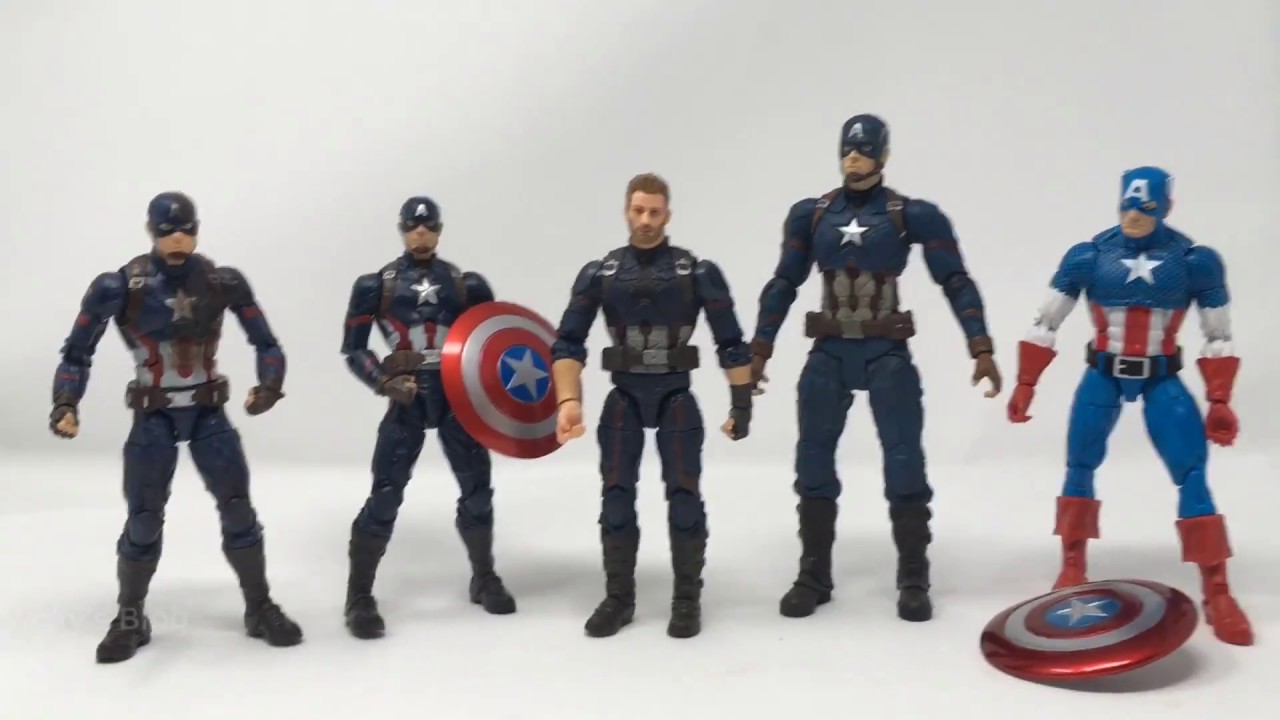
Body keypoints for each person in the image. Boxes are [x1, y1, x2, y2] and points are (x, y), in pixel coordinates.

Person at [749, 114, 1002, 622]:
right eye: (848, 148)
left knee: (904, 460)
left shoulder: (910, 215)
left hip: (887, 352)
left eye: (865, 150)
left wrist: (980, 347)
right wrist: (758, 352)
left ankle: (913, 575)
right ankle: (813, 574)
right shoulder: (812, 214)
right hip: (829, 351)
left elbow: (954, 280)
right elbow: (783, 283)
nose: (854, 157)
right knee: (812, 460)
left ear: (883, 155)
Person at [51, 191, 302, 663]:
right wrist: (66, 402)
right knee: (144, 519)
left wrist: (269, 386)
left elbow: (267, 343)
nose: (178, 239)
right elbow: (76, 354)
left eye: (186, 229)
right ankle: (130, 616)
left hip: (209, 414)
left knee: (238, 510)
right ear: (151, 233)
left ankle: (259, 606)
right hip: (154, 417)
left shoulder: (221, 282)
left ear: (198, 231)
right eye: (167, 231)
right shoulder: (119, 286)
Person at [1007, 165, 1252, 646]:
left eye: (1147, 207)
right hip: (1103, 373)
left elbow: (1219, 334)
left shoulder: (1193, 261)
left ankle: (1217, 591)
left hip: (1162, 376)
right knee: (1079, 464)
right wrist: (1026, 382)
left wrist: (1220, 399)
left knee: (1192, 473)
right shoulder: (1090, 256)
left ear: (1166, 208)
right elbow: (1046, 321)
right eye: (1127, 205)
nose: (1134, 215)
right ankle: (1072, 566)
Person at [549, 173, 754, 639]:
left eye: (654, 211)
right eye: (638, 210)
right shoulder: (601, 273)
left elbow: (730, 342)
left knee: (684, 498)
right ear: (627, 211)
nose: (645, 220)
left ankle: (687, 598)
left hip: (675, 396)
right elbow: (568, 341)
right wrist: (568, 400)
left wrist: (741, 404)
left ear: (668, 215)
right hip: (623, 397)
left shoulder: (695, 272)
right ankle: (618, 597)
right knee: (616, 497)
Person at [339, 195, 513, 639]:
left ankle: (484, 576)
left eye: (429, 226)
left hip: (455, 398)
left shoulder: (465, 284)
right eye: (414, 226)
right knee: (385, 496)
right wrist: (384, 382)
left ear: (439, 230)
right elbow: (354, 349)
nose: (421, 233)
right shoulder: (376, 285)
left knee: (477, 490)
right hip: (407, 399)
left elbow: (491, 341)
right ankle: (359, 595)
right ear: (402, 229)